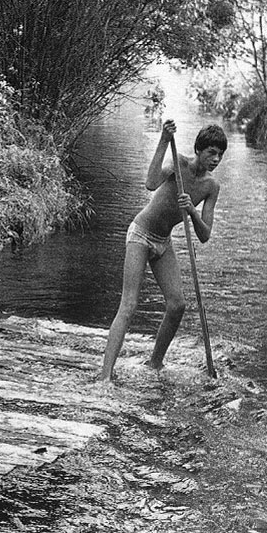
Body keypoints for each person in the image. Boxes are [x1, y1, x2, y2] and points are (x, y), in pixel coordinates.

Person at [99, 119, 227, 383]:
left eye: (220, 155)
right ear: (199, 150)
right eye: (211, 153)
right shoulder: (178, 164)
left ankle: (154, 365)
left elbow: (204, 235)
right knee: (129, 304)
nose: (216, 159)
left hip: (163, 241)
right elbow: (150, 182)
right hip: (140, 234)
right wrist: (164, 139)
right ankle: (105, 377)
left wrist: (192, 210)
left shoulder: (211, 187)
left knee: (177, 305)